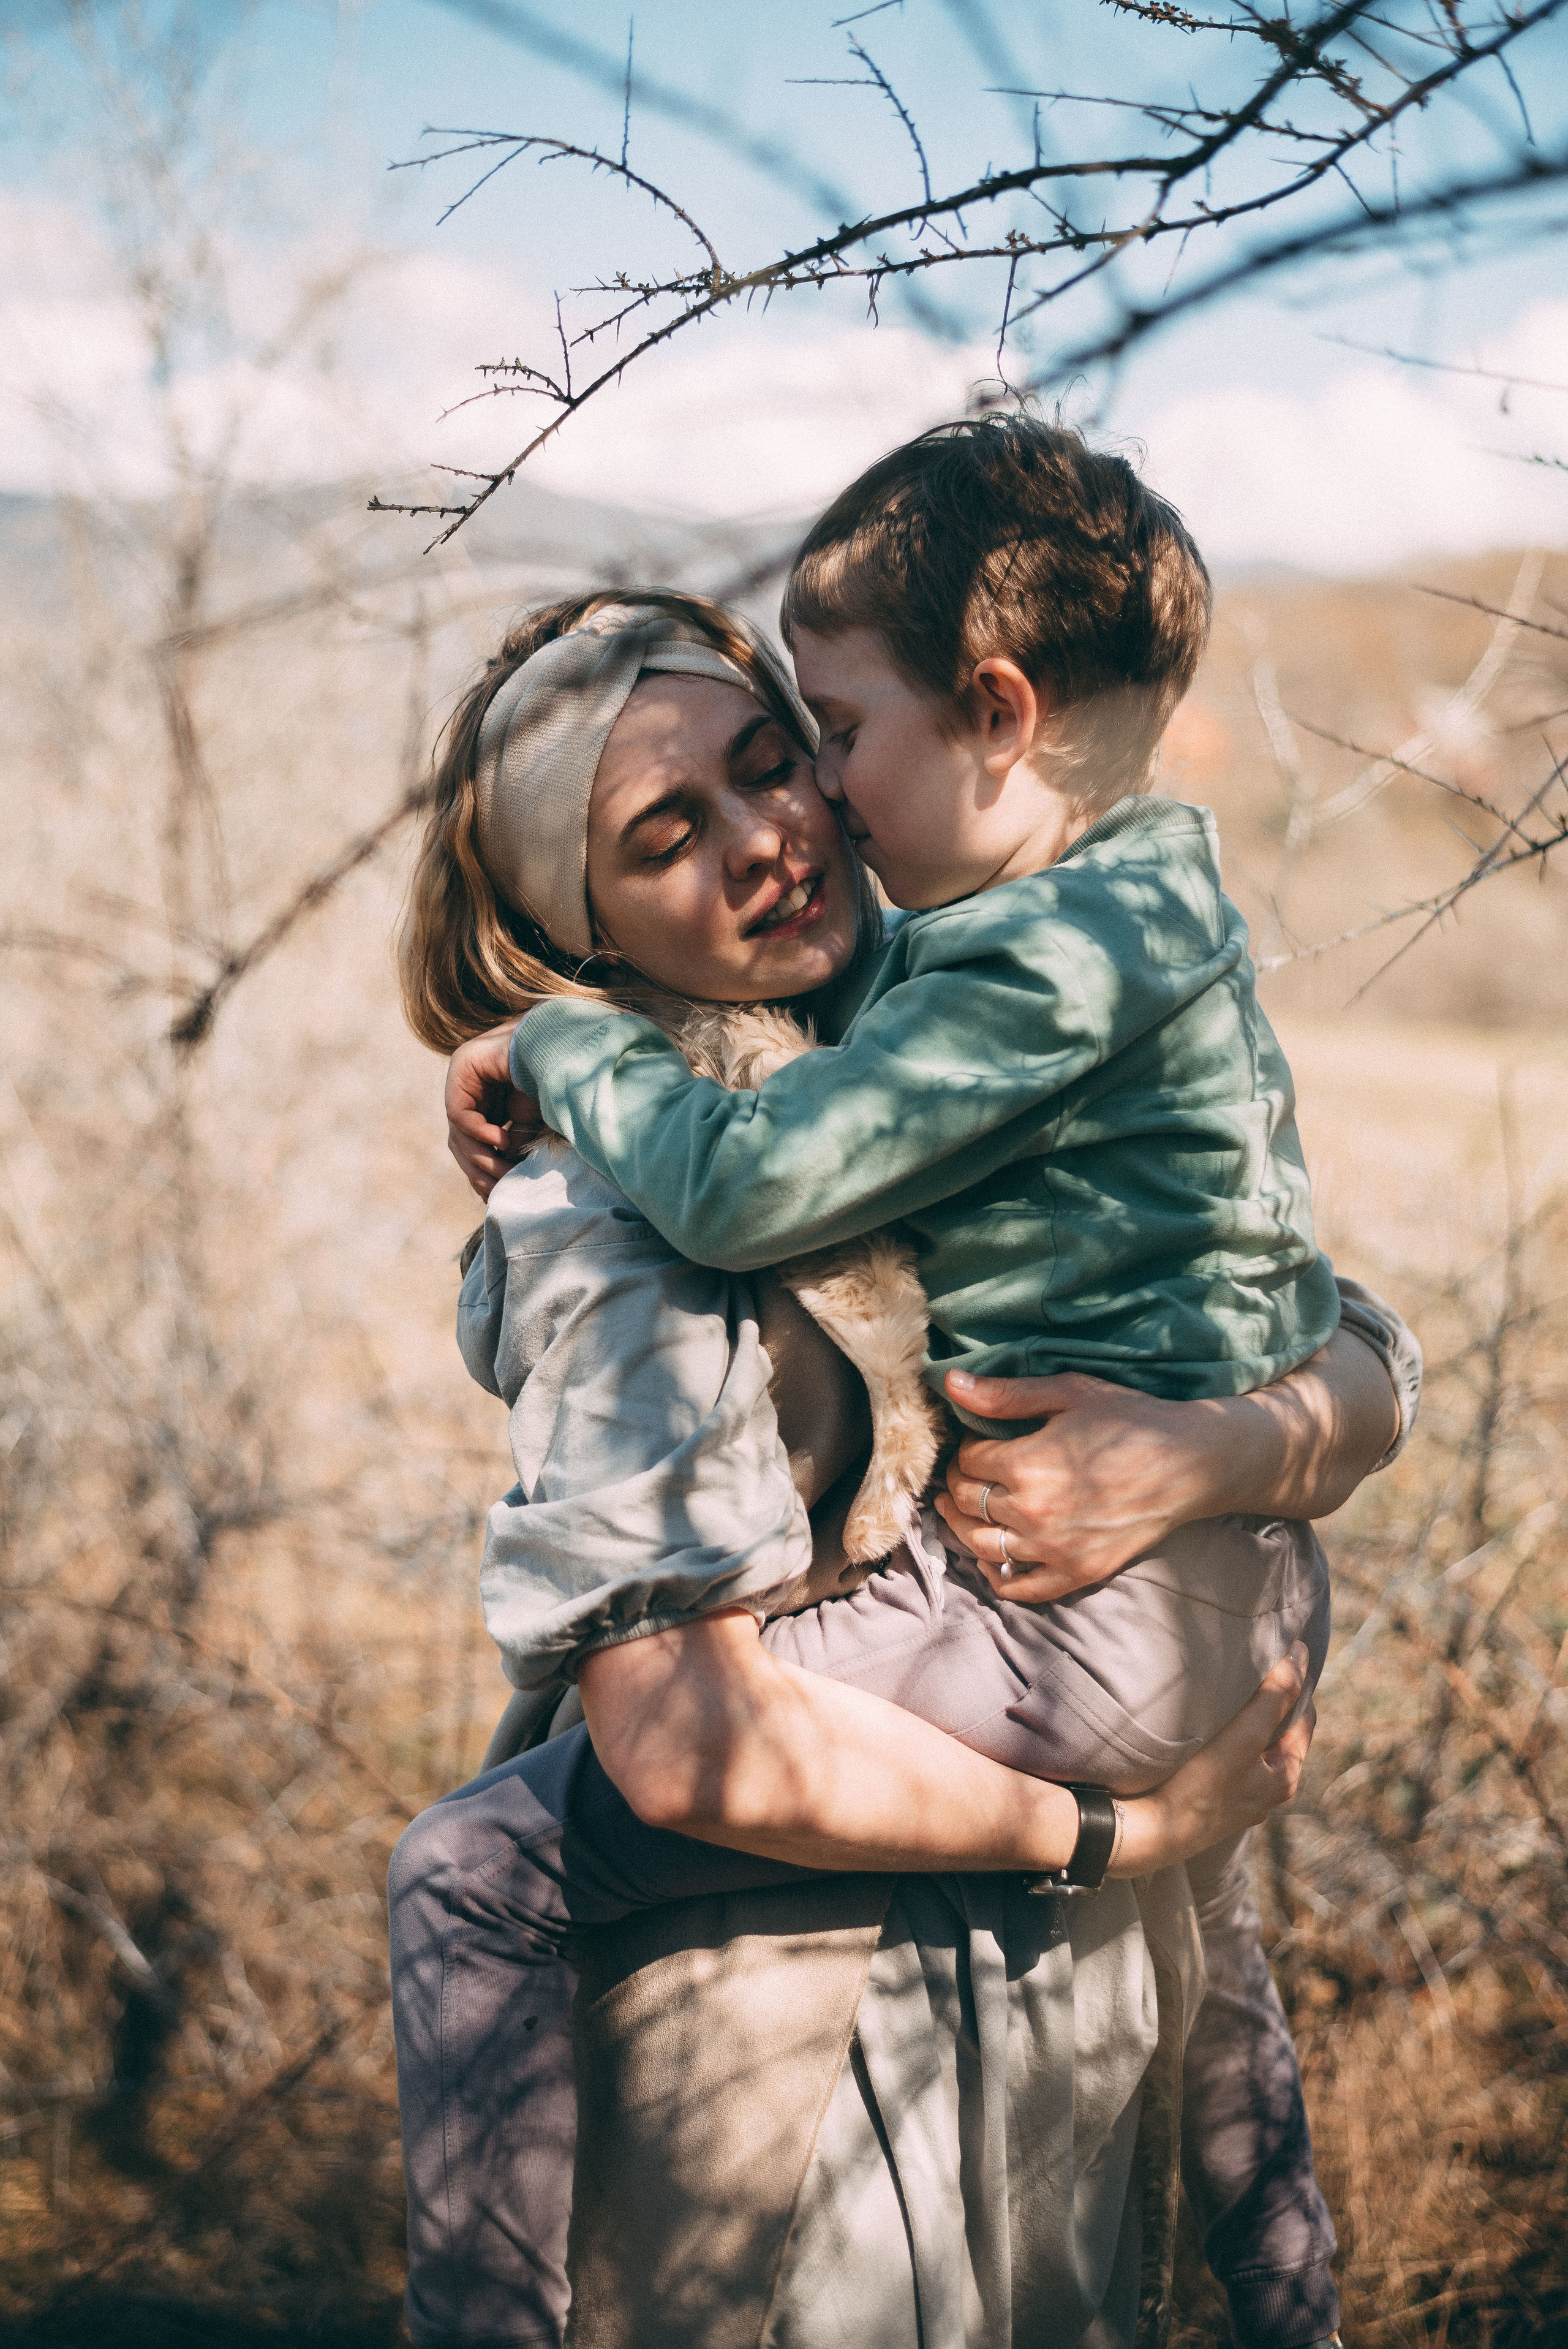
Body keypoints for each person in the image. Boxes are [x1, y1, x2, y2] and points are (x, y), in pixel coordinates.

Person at [442, 421, 1412, 2349]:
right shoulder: (609, 1208)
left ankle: (1288, 2281)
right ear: (574, 931)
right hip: (797, 2069)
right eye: (665, 836)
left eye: (778, 753)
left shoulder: (959, 998)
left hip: (1045, 2032)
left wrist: (1202, 1453)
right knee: (477, 1871)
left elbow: (1346, 1342)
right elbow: (676, 1734)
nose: (772, 833)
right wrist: (1126, 1830)